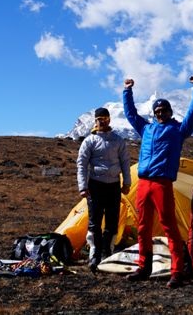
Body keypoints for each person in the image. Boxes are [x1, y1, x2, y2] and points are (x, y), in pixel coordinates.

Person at [122, 75, 193, 289]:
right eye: (157, 112)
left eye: (164, 111)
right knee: (142, 227)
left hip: (162, 184)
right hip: (144, 183)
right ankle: (143, 267)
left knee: (169, 226)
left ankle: (177, 271)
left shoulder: (178, 130)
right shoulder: (146, 129)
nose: (160, 114)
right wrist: (127, 91)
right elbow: (131, 114)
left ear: (170, 112)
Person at [77, 107, 131, 273]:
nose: (102, 121)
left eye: (105, 118)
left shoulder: (118, 140)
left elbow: (125, 162)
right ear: (95, 121)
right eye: (99, 119)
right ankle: (95, 253)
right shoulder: (89, 140)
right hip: (95, 185)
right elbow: (82, 164)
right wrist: (82, 186)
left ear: (109, 120)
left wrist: (127, 183)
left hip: (114, 185)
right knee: (95, 220)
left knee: (112, 220)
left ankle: (108, 252)